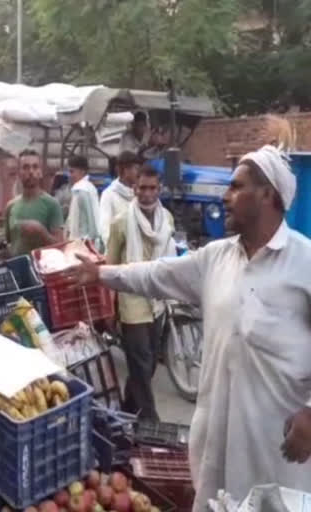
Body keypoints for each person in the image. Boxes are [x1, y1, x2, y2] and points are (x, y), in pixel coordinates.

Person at [65, 144, 311, 510]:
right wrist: (100, 273)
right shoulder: (217, 257)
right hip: (217, 441)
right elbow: (155, 274)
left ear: (267, 195)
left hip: (275, 448)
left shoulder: (303, 262)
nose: (226, 197)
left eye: (236, 187)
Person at [105, 165, 174, 421]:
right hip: (131, 301)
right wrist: (111, 308)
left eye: (152, 188)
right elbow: (109, 267)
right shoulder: (121, 221)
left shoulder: (167, 220)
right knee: (142, 362)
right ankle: (150, 422)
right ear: (134, 189)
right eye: (142, 188)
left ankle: (125, 412)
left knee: (148, 364)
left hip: (156, 301)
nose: (147, 193)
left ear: (160, 189)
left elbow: (170, 260)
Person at [2, 149, 65, 257]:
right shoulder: (11, 206)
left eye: (35, 167)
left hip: (41, 271)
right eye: (26, 167)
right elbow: (9, 243)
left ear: (40, 172)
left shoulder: (52, 205)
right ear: (18, 173)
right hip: (16, 271)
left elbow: (61, 248)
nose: (31, 172)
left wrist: (40, 232)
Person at [98, 151, 139, 247]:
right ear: (125, 170)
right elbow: (105, 228)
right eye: (136, 169)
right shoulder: (109, 195)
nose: (138, 173)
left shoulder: (139, 194)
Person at [65, 155, 102, 250]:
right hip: (77, 243)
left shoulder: (82, 190)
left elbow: (92, 219)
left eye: (72, 171)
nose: (70, 175)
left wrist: (90, 243)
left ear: (82, 171)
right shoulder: (84, 188)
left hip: (83, 244)